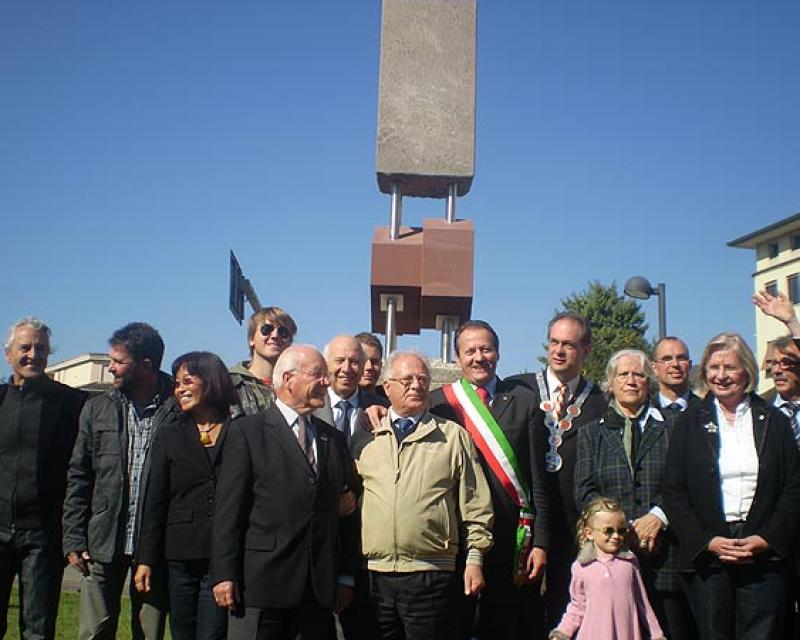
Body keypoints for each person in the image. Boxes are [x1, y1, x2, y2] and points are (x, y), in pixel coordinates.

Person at [210, 345, 357, 640]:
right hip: (262, 586)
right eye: (318, 375)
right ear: (288, 379)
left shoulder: (333, 439)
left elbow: (346, 513)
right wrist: (225, 573)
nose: (327, 383)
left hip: (317, 591)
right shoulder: (247, 432)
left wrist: (344, 575)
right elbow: (229, 510)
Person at [663, 332, 800, 639]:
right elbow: (674, 490)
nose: (721, 376)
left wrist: (767, 538)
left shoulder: (774, 420)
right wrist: (705, 540)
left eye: (730, 368)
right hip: (709, 555)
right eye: (714, 368)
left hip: (762, 553)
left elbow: (793, 487)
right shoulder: (689, 422)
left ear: (747, 371)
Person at [350, 351, 494, 640]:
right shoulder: (366, 438)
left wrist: (475, 558)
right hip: (374, 576)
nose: (416, 385)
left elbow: (476, 504)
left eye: (422, 379)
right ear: (387, 386)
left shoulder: (452, 436)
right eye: (406, 379)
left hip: (431, 574)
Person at [429, 320, 549, 639]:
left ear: (498, 353)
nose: (479, 357)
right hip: (457, 535)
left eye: (486, 349)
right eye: (470, 351)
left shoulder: (524, 400)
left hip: (513, 538)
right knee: (456, 623)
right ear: (458, 358)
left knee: (505, 624)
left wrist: (540, 541)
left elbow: (539, 479)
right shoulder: (438, 403)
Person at [63, 322, 180, 640]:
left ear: (146, 365)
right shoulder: (97, 407)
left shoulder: (179, 408)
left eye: (118, 361)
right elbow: (79, 475)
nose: (110, 366)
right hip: (103, 541)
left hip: (155, 546)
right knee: (94, 631)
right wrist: (74, 537)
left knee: (149, 633)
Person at [574, 349, 695, 639]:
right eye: (623, 374)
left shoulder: (675, 426)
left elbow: (688, 482)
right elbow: (583, 490)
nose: (631, 380)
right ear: (610, 383)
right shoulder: (591, 433)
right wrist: (619, 527)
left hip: (667, 559)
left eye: (638, 374)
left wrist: (658, 516)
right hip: (611, 563)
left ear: (649, 381)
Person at [508, 312, 607, 630]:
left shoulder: (601, 402)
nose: (559, 351)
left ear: (586, 350)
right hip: (524, 521)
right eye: (554, 342)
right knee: (521, 612)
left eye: (569, 344)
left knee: (572, 609)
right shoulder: (518, 390)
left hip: (575, 523)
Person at [135, 352, 240, 640]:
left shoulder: (240, 431)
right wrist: (145, 559)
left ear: (212, 381)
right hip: (180, 554)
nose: (180, 388)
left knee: (213, 634)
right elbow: (155, 500)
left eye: (188, 381)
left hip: (224, 556)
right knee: (182, 632)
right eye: (177, 383)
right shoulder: (170, 435)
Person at [0, 317, 87, 639]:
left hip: (42, 537)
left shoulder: (71, 404)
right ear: (8, 353)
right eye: (25, 347)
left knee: (37, 629)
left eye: (40, 348)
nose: (32, 355)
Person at [548, 497, 665, 640]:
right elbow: (577, 606)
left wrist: (656, 634)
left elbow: (642, 603)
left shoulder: (629, 563)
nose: (616, 536)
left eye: (621, 531)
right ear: (589, 533)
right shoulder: (581, 567)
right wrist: (562, 633)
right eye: (608, 531)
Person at [315, 335, 388, 444]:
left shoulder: (383, 409)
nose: (346, 369)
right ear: (325, 364)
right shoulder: (309, 407)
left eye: (354, 362)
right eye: (339, 361)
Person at [229, 307, 297, 416]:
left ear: (290, 342)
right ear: (251, 339)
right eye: (266, 329)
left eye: (283, 332)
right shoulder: (229, 383)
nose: (275, 335)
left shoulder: (296, 387)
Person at [754, 289, 800, 443]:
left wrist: (792, 322)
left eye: (786, 363)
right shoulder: (759, 406)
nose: (777, 370)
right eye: (773, 363)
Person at [651, 336, 701, 421]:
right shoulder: (646, 411)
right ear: (654, 368)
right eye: (667, 359)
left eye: (681, 358)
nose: (675, 364)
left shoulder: (706, 410)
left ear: (690, 365)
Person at [354, 332, 386, 399]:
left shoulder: (391, 404)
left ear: (381, 365)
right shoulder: (330, 402)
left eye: (374, 362)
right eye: (363, 361)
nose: (369, 367)